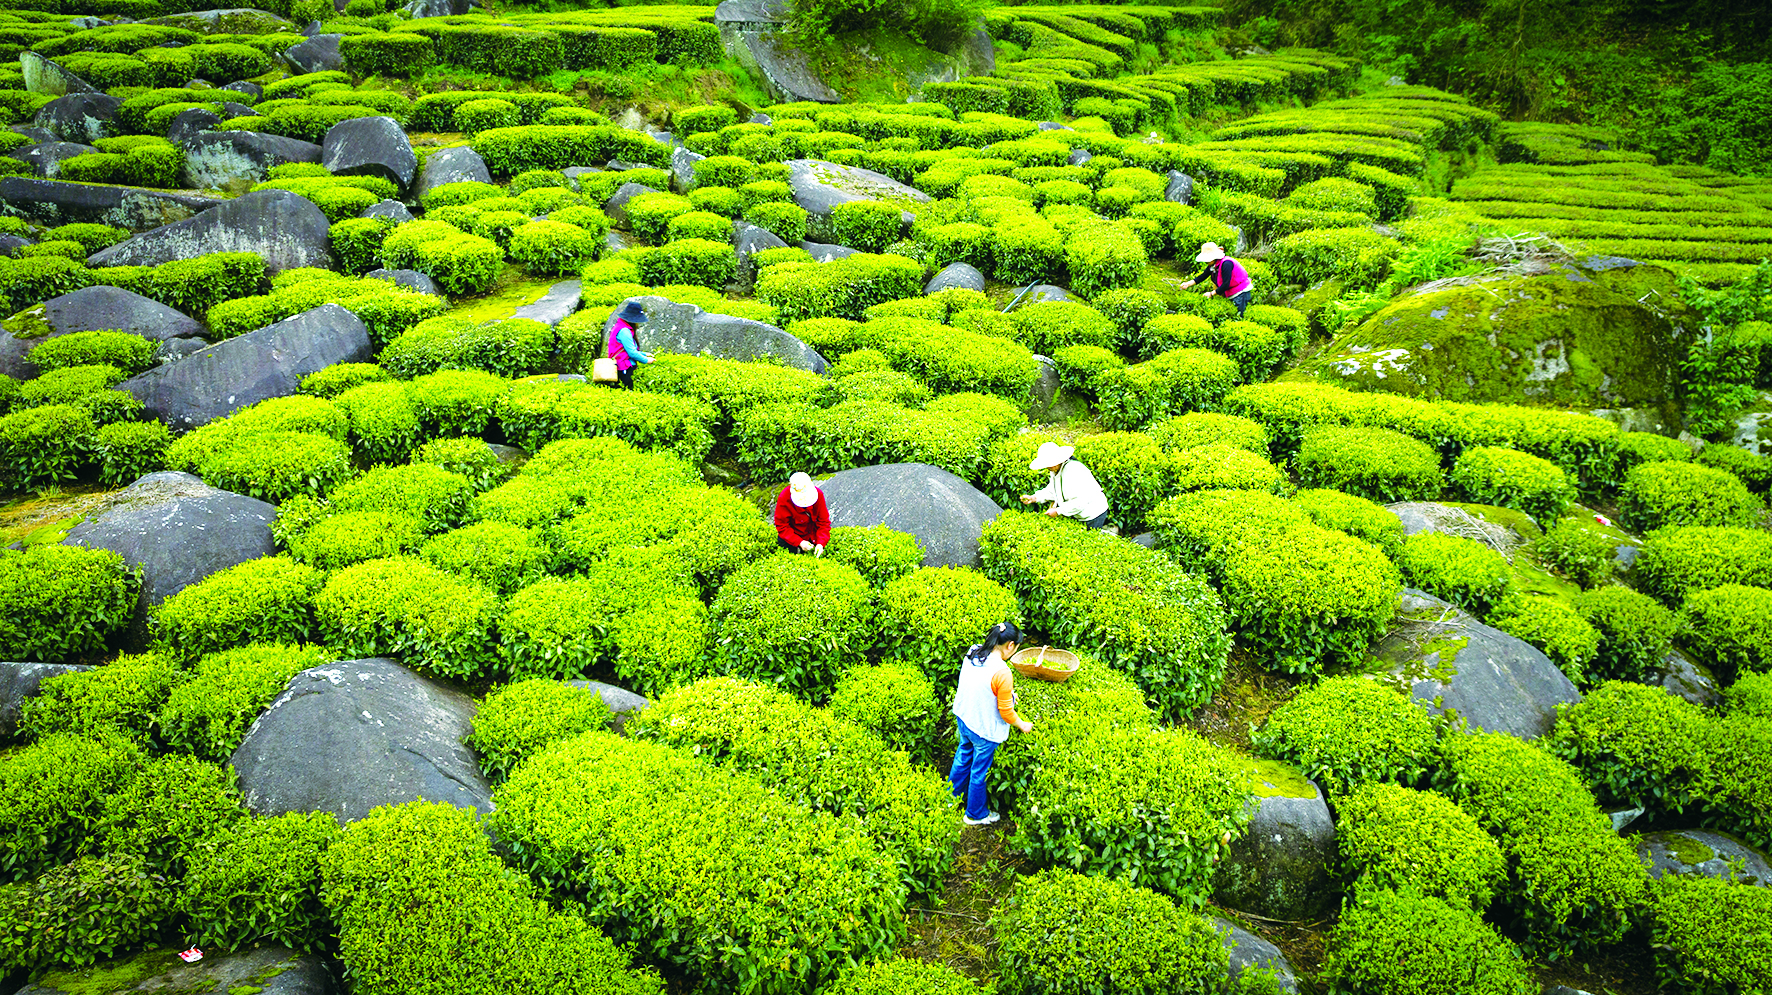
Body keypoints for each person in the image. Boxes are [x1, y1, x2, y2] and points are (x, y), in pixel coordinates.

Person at [949, 621, 1035, 827]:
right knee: (979, 772)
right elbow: (1006, 711)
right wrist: (1022, 724)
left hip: (964, 718)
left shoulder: (974, 652)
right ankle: (975, 815)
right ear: (1010, 645)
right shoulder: (1002, 672)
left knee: (962, 757)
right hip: (982, 729)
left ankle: (951, 799)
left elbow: (979, 684)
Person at [1019, 441, 1110, 530]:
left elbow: (1080, 502)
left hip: (1093, 512)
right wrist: (1035, 497)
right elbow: (1053, 489)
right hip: (1078, 513)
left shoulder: (1073, 470)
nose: (1048, 467)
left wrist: (1058, 511)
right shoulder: (1055, 470)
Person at [1178, 242, 1254, 317]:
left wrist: (1211, 294)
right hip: (1230, 292)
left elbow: (1225, 284)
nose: (1205, 261)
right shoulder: (1213, 264)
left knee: (1238, 316)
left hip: (1240, 292)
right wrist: (1188, 284)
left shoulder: (1226, 264)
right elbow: (1203, 276)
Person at [774, 471, 829, 556]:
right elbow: (782, 526)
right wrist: (799, 542)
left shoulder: (818, 495)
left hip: (812, 536)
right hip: (791, 539)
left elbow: (824, 522)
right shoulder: (784, 498)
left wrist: (821, 543)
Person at [606, 300, 652, 389]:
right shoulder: (625, 331)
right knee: (627, 390)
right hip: (623, 367)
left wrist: (644, 354)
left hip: (620, 366)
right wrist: (646, 360)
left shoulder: (620, 326)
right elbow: (631, 353)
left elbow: (626, 350)